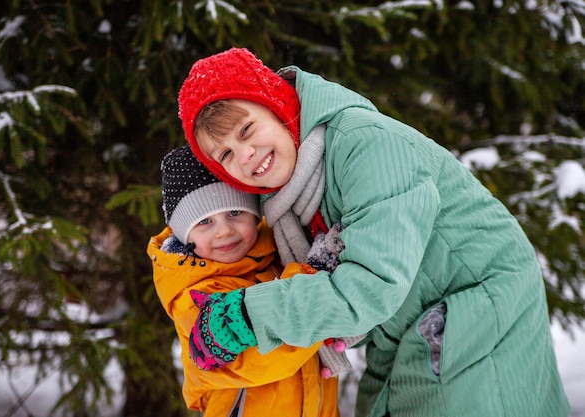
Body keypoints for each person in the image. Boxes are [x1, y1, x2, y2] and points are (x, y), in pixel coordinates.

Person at [176, 48, 571, 417]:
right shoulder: (289, 199)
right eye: (225, 154)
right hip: (406, 323)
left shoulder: (365, 144)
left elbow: (370, 284)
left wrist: (250, 313)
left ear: (278, 104)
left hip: (475, 309)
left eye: (246, 130)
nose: (243, 155)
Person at [147, 145, 346, 417]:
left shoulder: (276, 253)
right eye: (204, 221)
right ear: (184, 235)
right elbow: (263, 361)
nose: (224, 231)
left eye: (234, 213)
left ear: (254, 214)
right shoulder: (196, 294)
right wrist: (312, 277)